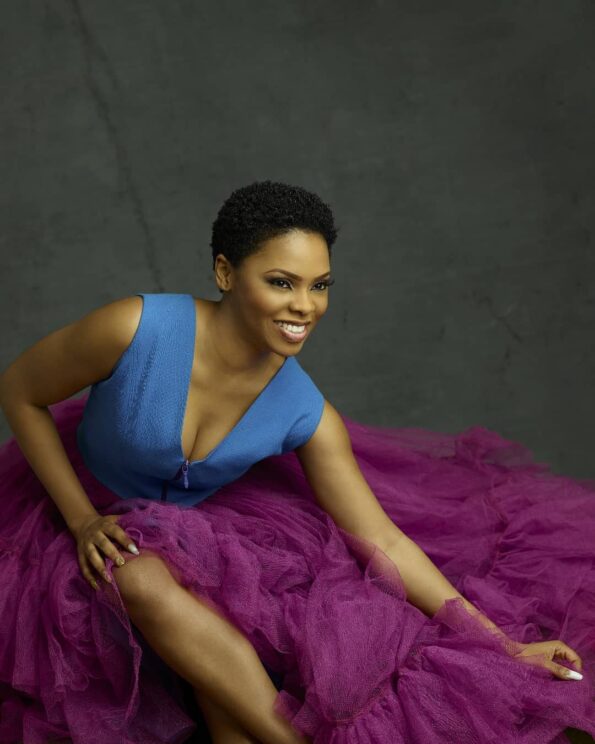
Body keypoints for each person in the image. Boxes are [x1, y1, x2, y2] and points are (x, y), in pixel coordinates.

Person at [0, 180, 593, 744]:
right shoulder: (134, 329)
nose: (305, 306)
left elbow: (382, 538)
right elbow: (20, 390)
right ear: (225, 272)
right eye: (282, 282)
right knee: (135, 573)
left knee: (219, 666)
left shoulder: (306, 412)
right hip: (74, 509)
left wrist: (502, 646)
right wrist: (81, 520)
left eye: (320, 286)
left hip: (200, 534)